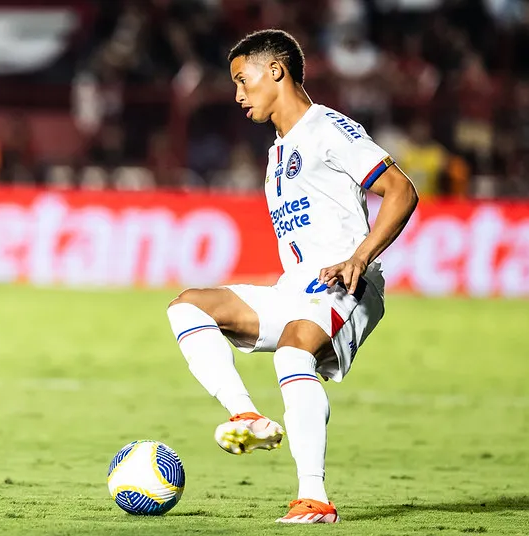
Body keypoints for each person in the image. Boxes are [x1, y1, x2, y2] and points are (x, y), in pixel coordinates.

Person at [166, 29, 419, 524]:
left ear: (275, 71)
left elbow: (401, 190)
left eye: (243, 80)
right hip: (298, 286)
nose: (238, 94)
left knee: (292, 348)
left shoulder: (329, 128)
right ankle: (245, 415)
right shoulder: (277, 154)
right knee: (189, 305)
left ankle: (314, 498)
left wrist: (360, 257)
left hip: (346, 284)